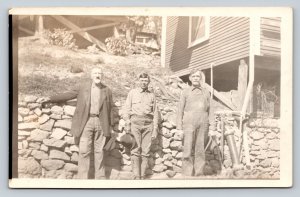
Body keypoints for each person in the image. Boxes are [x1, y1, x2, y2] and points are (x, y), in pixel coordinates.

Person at [41, 67, 115, 179]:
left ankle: (100, 178)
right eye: (95, 73)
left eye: (99, 73)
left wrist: (113, 125)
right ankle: (82, 179)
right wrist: (51, 99)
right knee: (84, 151)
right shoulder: (83, 87)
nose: (97, 75)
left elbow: (111, 108)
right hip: (86, 122)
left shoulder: (107, 90)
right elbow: (68, 94)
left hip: (101, 123)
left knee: (99, 152)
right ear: (91, 75)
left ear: (102, 75)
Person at [123, 73, 159, 179]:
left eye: (145, 81)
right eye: (142, 80)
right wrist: (127, 121)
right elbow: (126, 109)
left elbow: (156, 113)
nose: (143, 82)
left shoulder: (151, 95)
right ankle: (136, 176)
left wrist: (155, 128)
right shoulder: (132, 93)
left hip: (148, 124)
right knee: (135, 149)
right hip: (135, 123)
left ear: (148, 82)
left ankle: (142, 176)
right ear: (138, 81)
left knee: (146, 151)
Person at [176, 69, 210, 177]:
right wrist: (179, 128)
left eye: (198, 76)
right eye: (194, 76)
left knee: (200, 149)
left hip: (202, 122)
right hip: (188, 123)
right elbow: (180, 110)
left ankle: (199, 174)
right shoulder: (185, 92)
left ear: (200, 79)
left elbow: (211, 110)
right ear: (190, 78)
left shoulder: (206, 92)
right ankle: (187, 174)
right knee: (187, 149)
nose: (196, 78)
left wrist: (213, 127)